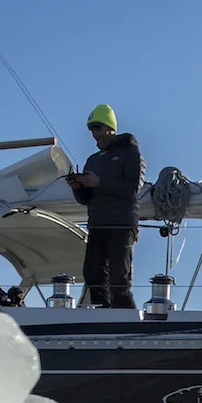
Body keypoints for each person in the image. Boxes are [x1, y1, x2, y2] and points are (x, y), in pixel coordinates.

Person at [65, 103, 143, 309]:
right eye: (91, 129)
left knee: (120, 279)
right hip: (98, 224)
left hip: (121, 224)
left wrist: (100, 182)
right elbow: (86, 198)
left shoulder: (131, 152)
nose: (94, 134)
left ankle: (127, 320)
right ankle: (103, 314)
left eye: (98, 128)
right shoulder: (92, 160)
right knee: (92, 275)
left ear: (110, 128)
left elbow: (132, 189)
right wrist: (78, 187)